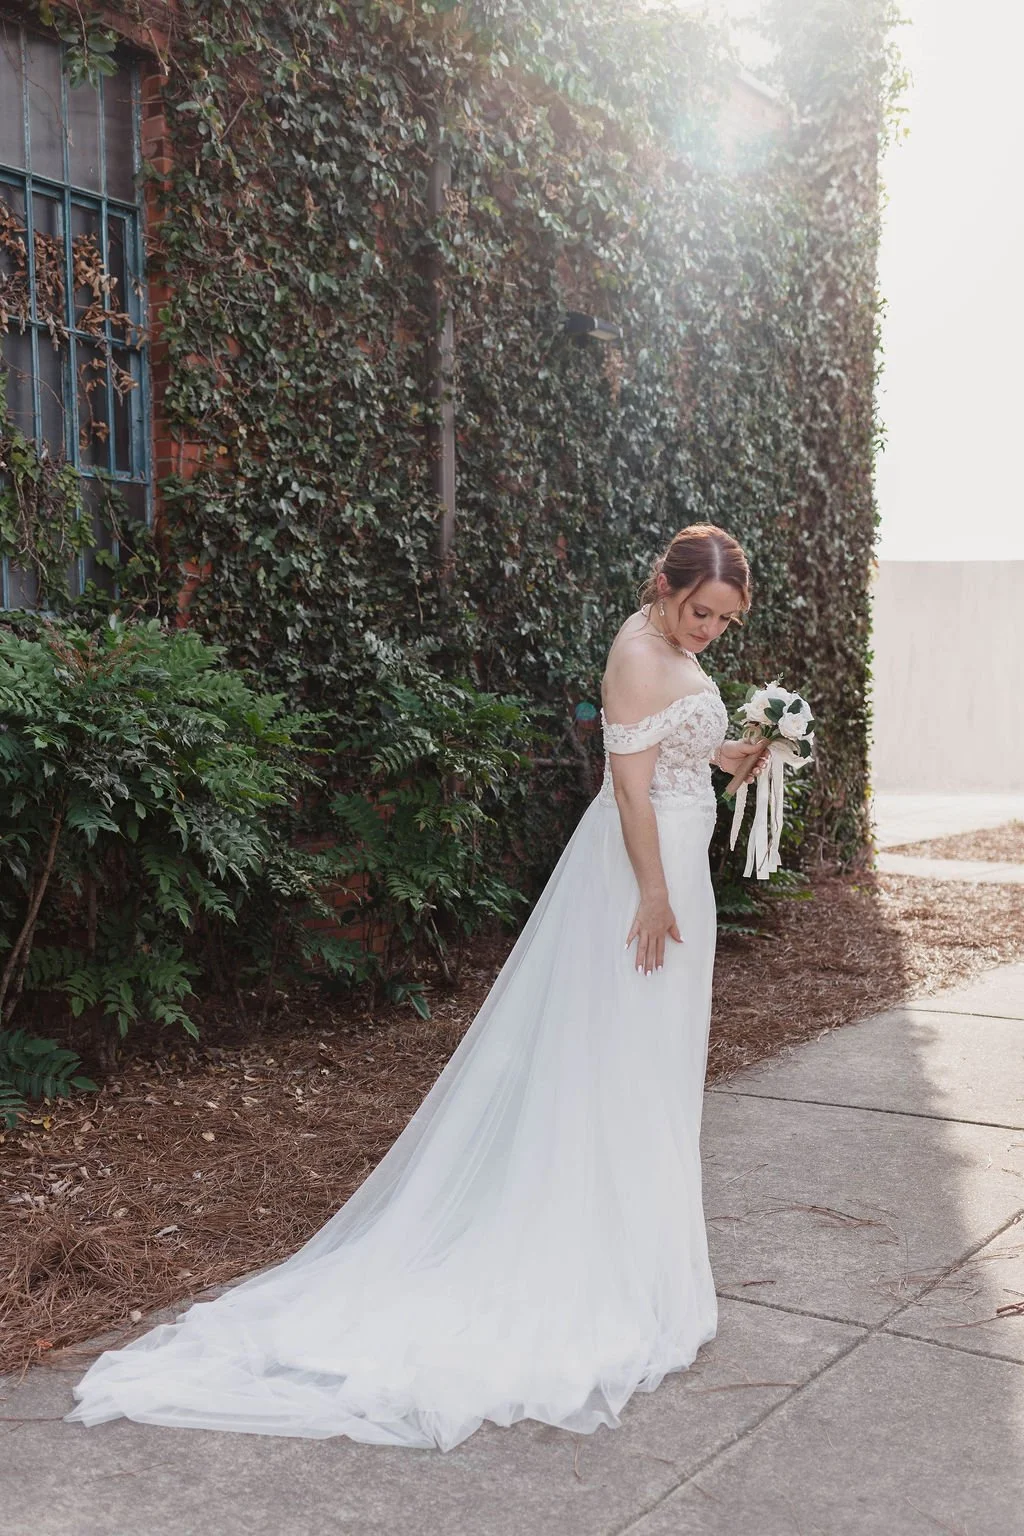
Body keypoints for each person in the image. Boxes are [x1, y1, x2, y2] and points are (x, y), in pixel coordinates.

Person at [68, 523, 769, 1451]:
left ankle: (638, 1258)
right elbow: (630, 790)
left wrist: (735, 754)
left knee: (654, 1062)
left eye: (724, 621)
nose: (709, 631)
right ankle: (596, 1264)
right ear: (666, 586)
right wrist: (649, 894)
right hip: (646, 881)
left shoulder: (670, 649)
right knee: (618, 1058)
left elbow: (676, 758)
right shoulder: (639, 653)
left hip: (677, 867)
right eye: (700, 611)